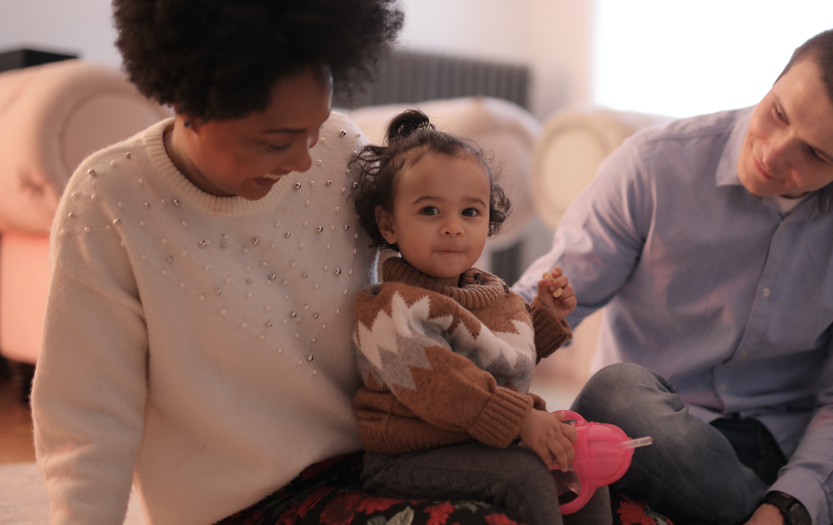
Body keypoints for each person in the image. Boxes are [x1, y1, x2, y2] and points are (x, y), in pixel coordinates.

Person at [31, 2, 538, 525]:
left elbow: (425, 292)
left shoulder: (340, 148)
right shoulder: (110, 200)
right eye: (276, 141)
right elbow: (89, 418)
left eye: (313, 129)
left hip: (375, 461)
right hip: (243, 506)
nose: (302, 160)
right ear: (189, 106)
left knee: (572, 487)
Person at [513, 24, 833, 525]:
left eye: (815, 154)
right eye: (778, 113)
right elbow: (531, 311)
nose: (772, 152)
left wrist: (792, 501)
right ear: (779, 76)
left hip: (803, 440)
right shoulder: (654, 166)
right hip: (668, 439)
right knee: (615, 394)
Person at [347, 109, 610, 525]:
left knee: (577, 455)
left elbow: (503, 360)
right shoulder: (388, 307)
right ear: (389, 223)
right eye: (430, 211)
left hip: (481, 438)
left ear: (489, 221)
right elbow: (440, 379)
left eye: (470, 213)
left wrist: (545, 317)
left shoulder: (490, 292)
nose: (453, 227)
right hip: (409, 455)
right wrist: (522, 419)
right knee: (527, 476)